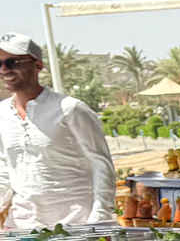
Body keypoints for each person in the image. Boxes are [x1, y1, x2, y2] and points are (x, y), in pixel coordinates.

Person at [0, 34, 116, 229]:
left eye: (13, 62)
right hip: (23, 226)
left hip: (76, 225)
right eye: (0, 63)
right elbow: (5, 168)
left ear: (38, 65)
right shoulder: (2, 114)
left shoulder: (70, 109)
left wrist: (99, 218)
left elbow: (101, 164)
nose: (4, 69)